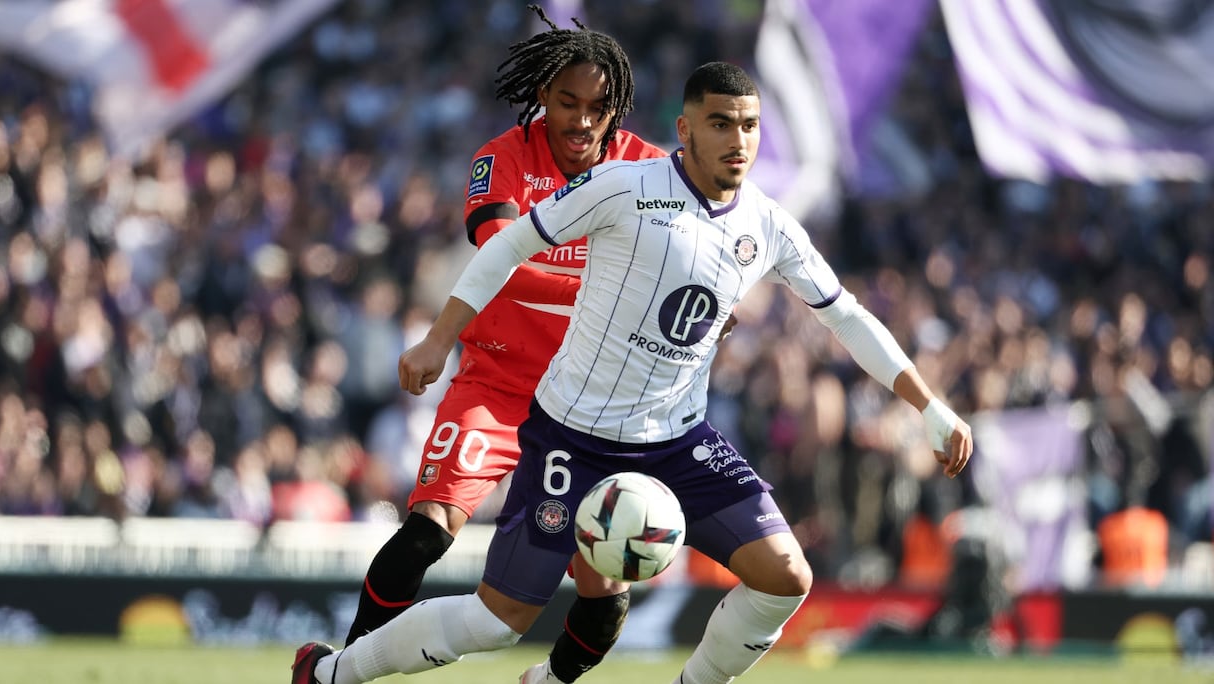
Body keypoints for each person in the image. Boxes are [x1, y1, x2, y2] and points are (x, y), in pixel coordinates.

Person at [301, 61, 973, 684]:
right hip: (573, 436)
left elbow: (848, 317)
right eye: (719, 123)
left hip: (677, 440)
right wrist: (438, 339)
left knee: (784, 577)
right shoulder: (625, 186)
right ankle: (333, 674)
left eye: (749, 124)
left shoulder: (769, 224)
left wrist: (931, 408)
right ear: (684, 129)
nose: (737, 139)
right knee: (495, 621)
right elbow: (510, 242)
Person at [291, 6, 667, 684]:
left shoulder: (648, 171)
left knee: (606, 583)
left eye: (599, 107)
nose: (582, 121)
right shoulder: (503, 159)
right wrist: (606, 283)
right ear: (541, 97)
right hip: (498, 385)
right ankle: (343, 671)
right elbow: (500, 253)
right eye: (567, 102)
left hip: (592, 405)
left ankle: (550, 681)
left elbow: (685, 261)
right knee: (427, 531)